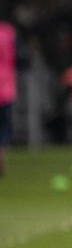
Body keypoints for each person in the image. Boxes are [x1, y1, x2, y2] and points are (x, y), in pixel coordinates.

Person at [0, 19, 16, 175]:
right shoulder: (8, 32)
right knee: (4, 126)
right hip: (5, 88)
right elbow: (21, 57)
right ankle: (1, 152)